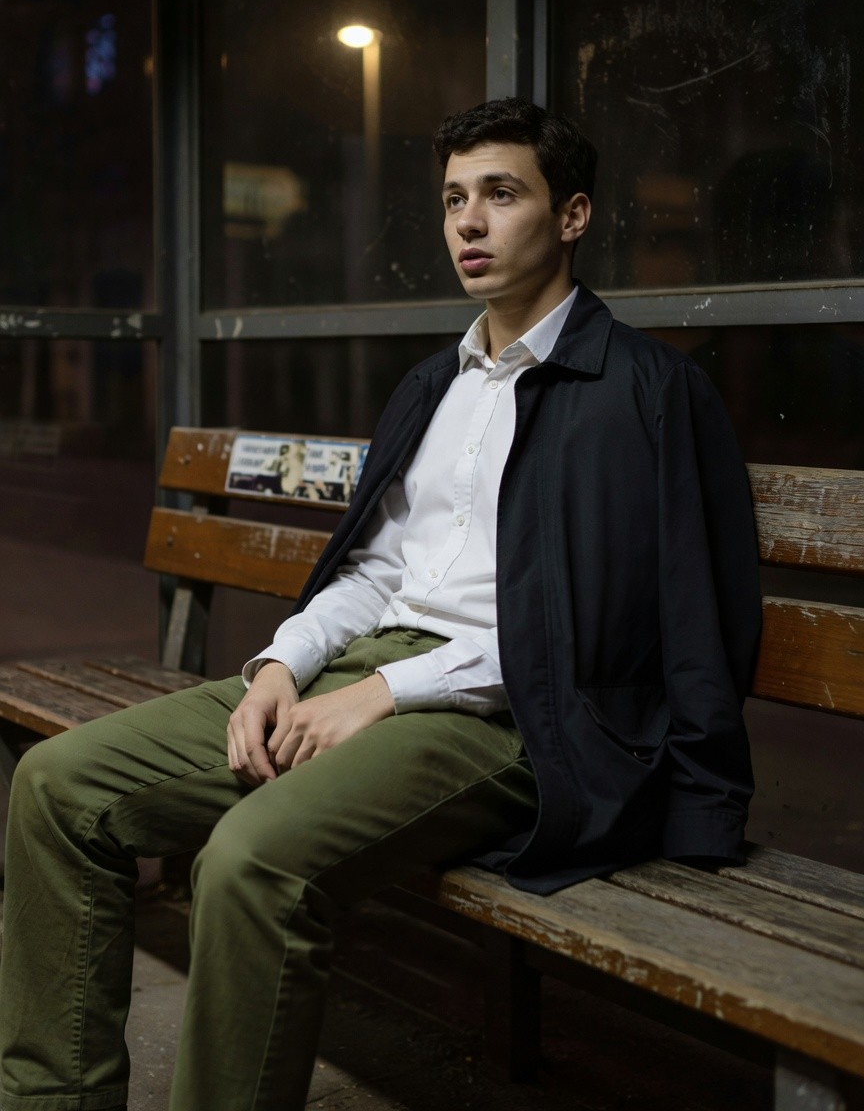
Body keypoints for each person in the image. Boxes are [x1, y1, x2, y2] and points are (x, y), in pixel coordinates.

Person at [0, 98, 762, 1111]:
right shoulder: (432, 388)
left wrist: (388, 696)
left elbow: (625, 627)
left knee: (250, 863)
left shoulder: (646, 393)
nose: (469, 224)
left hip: (515, 721)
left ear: (573, 216)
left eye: (501, 194)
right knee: (57, 787)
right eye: (453, 200)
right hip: (376, 676)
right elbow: (370, 570)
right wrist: (281, 666)